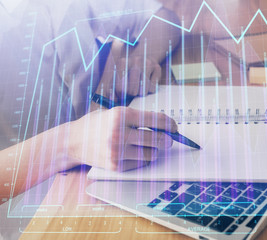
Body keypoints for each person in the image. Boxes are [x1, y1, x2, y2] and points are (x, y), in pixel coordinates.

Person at [0, 0, 180, 202]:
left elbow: (165, 18)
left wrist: (141, 58)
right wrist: (70, 142)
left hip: (110, 172)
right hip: (31, 210)